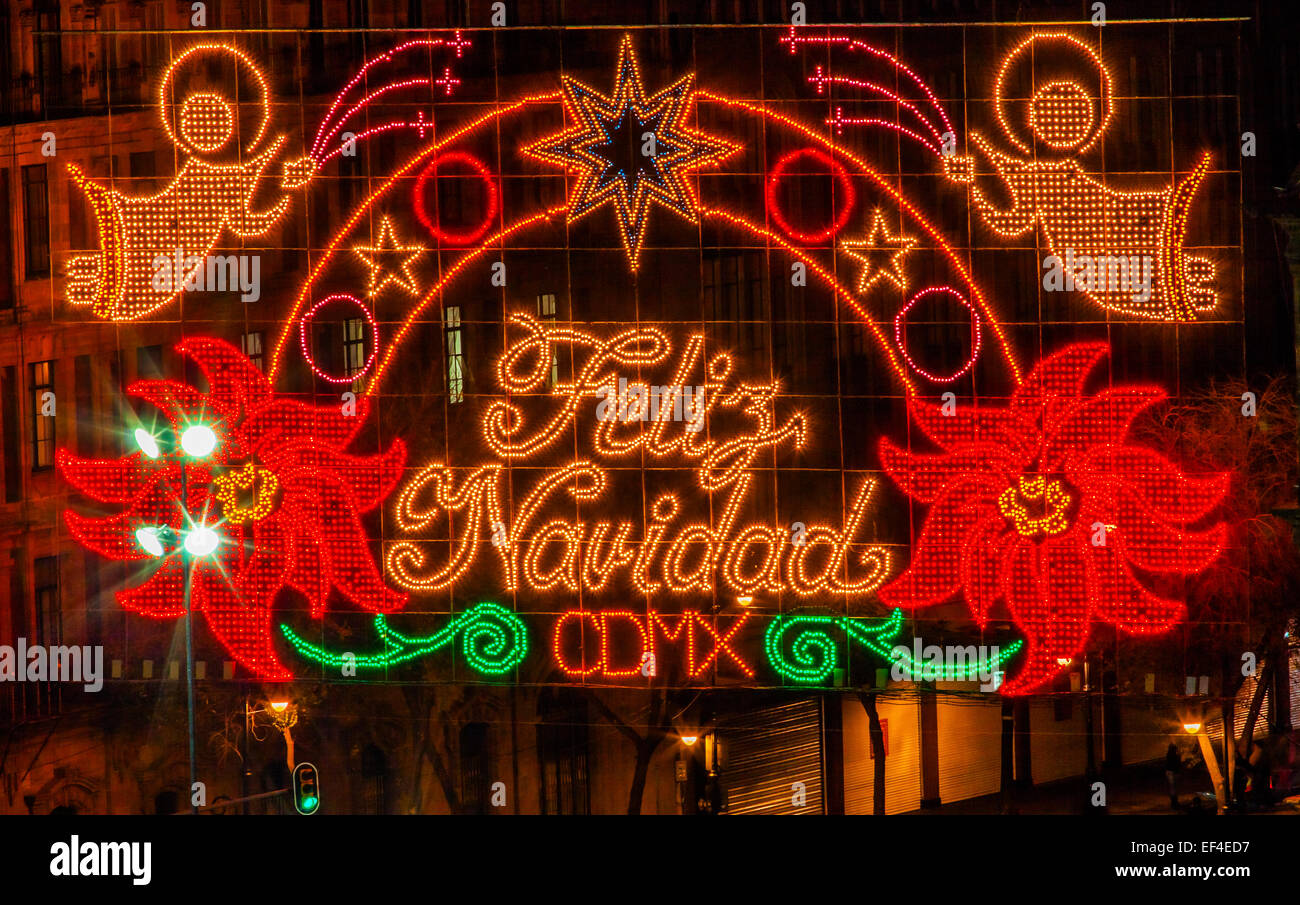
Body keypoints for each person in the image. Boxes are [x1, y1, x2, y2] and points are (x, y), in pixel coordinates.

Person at [1165, 742, 1183, 808]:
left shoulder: (1169, 754)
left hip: (1170, 772)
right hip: (1172, 772)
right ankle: (1174, 803)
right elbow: (1177, 764)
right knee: (1174, 788)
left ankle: (1174, 802)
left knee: (1173, 788)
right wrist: (1179, 756)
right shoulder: (1174, 755)